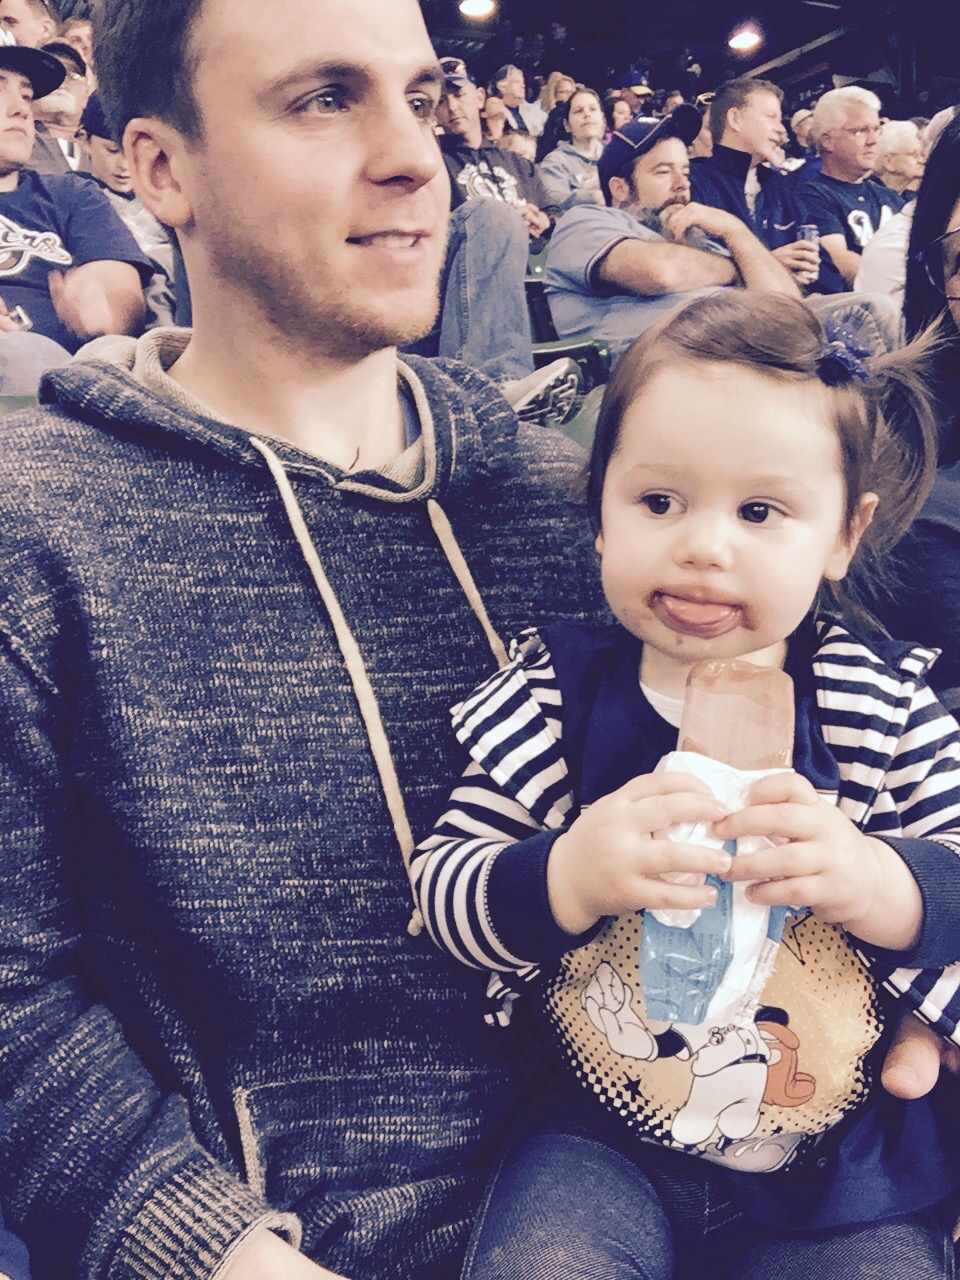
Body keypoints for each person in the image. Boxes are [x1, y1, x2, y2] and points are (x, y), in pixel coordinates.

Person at [0, 4, 605, 1280]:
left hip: (683, 1195)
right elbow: (13, 1015)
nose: (415, 156)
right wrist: (218, 1253)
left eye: (421, 97)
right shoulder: (34, 531)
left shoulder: (581, 509)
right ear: (161, 169)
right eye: (325, 99)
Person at [410, 289, 960, 1280]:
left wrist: (882, 880)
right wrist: (566, 873)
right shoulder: (549, 698)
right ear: (600, 513)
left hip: (843, 1162)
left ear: (843, 534)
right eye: (659, 502)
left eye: (760, 511)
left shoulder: (880, 709)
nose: (705, 546)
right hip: (598, 1132)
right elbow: (443, 888)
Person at [544, 108, 798, 361]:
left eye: (686, 172)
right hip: (671, 368)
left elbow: (790, 310)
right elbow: (660, 273)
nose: (682, 184)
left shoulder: (701, 242)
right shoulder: (584, 222)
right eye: (663, 172)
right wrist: (740, 267)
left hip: (754, 354)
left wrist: (735, 230)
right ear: (620, 188)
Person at [689, 77, 825, 291]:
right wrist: (767, 266)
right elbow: (691, 273)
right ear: (735, 119)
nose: (781, 130)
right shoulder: (691, 183)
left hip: (797, 302)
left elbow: (826, 272)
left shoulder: (784, 187)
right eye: (771, 117)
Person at [797, 87, 904, 287]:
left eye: (876, 129)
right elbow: (840, 260)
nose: (873, 140)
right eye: (860, 131)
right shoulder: (812, 195)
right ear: (828, 141)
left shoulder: (890, 197)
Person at [537, 86, 605, 211]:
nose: (587, 114)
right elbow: (553, 200)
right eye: (578, 111)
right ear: (567, 125)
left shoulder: (616, 154)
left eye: (593, 109)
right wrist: (592, 197)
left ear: (603, 120)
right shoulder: (555, 162)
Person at [873, 119, 924, 199]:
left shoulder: (915, 199)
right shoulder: (869, 199)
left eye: (921, 154)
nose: (922, 160)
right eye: (914, 155)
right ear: (889, 162)